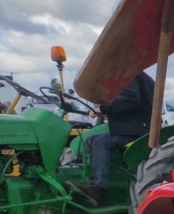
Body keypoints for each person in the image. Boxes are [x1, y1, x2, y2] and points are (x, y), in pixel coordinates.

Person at [66, 71, 155, 206]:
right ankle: (97, 179)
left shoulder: (129, 75)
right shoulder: (137, 75)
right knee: (89, 140)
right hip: (133, 126)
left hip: (138, 129)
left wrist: (103, 109)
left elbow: (131, 100)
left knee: (101, 142)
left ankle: (98, 188)